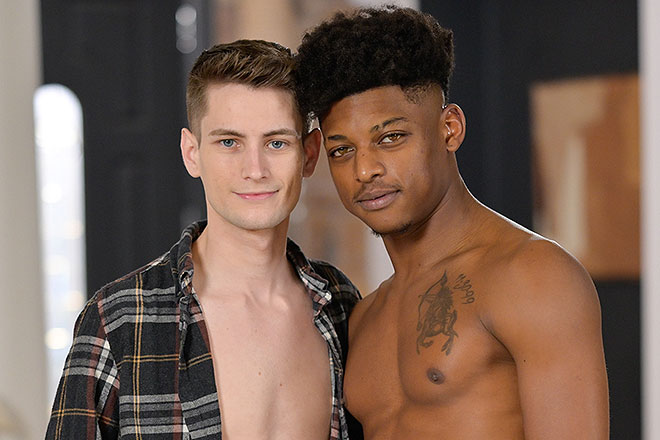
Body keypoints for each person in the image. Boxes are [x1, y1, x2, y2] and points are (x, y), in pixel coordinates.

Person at [294, 5, 609, 439]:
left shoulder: (531, 275)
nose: (364, 170)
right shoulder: (363, 317)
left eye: (391, 138)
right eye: (342, 150)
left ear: (450, 128)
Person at [46, 39, 361, 440]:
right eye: (229, 142)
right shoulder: (120, 318)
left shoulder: (341, 306)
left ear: (310, 153)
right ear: (191, 153)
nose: (255, 169)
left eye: (276, 142)